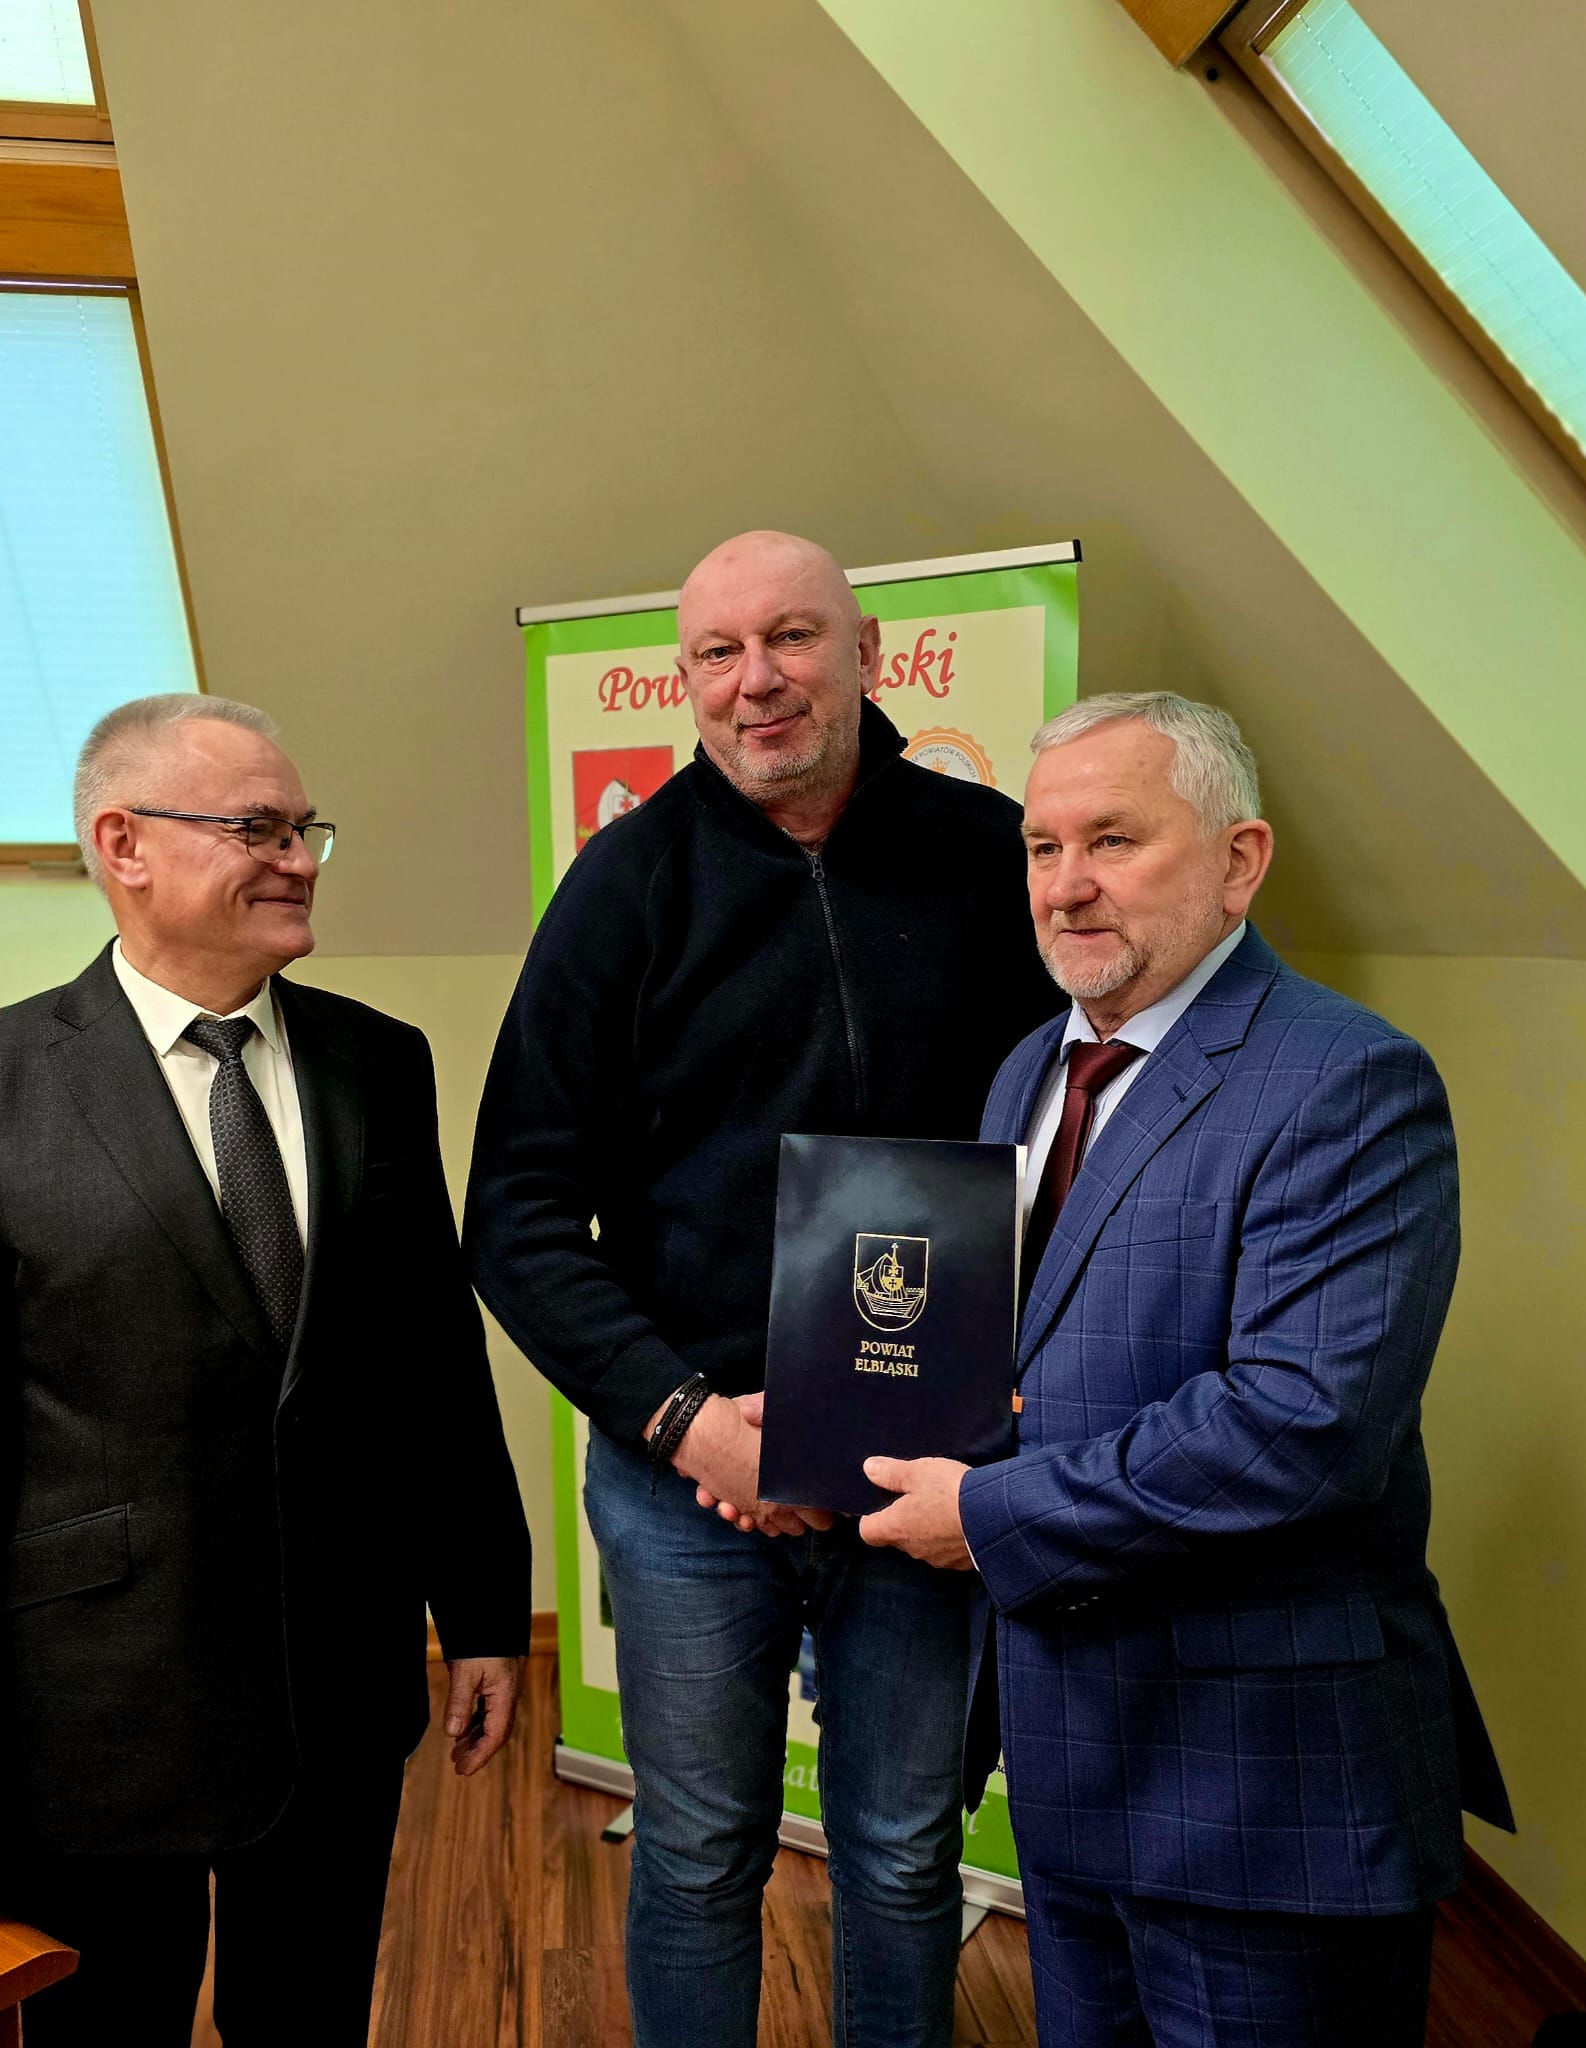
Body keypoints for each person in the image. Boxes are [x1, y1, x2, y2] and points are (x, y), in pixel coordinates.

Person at [0, 694, 531, 2045]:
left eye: (305, 829)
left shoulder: (379, 1065)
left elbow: (431, 1366)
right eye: (258, 829)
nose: (298, 859)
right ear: (124, 845)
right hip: (90, 1723)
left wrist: (485, 1609)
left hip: (337, 1698)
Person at [465, 531, 1060, 2047]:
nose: (756, 681)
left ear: (868, 656)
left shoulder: (995, 859)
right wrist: (690, 1425)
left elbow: (1071, 1141)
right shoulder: (623, 887)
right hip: (689, 1484)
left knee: (905, 1856)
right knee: (697, 1854)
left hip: (923, 1469)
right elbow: (514, 1213)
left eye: (791, 638)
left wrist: (1015, 1389)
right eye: (717, 654)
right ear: (685, 684)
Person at [858, 691, 1512, 2047]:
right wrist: (829, 1421)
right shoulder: (1029, 1070)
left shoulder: (1345, 1081)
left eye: (1113, 839)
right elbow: (1003, 1361)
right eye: (1041, 848)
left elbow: (1299, 1426)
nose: (1066, 885)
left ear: (1238, 860)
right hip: (1067, 1759)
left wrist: (984, 1514)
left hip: (1258, 1791)